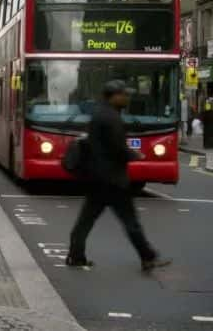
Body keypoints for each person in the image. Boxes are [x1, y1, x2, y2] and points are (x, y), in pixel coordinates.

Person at [66, 80, 171, 272]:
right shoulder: (111, 117)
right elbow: (117, 148)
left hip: (97, 178)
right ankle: (147, 257)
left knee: (86, 220)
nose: (127, 97)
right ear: (113, 96)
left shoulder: (99, 113)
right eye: (124, 94)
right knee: (130, 221)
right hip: (112, 179)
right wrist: (136, 154)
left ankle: (76, 255)